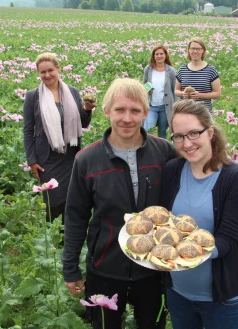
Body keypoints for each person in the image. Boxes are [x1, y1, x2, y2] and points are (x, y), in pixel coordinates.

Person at [62, 78, 177, 329]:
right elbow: (76, 216)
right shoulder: (87, 160)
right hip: (105, 267)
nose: (127, 118)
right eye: (120, 110)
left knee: (153, 324)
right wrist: (70, 267)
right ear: (106, 111)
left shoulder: (165, 153)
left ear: (146, 113)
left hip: (154, 266)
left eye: (135, 111)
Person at [160, 100, 238, 329]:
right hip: (178, 292)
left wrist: (183, 254)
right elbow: (163, 223)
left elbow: (228, 240)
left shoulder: (235, 178)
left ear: (210, 131)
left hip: (221, 298)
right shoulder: (172, 170)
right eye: (179, 136)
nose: (187, 143)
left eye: (194, 133)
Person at [23, 52, 94, 221]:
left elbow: (82, 124)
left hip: (70, 156)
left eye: (50, 70)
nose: (47, 75)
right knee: (53, 201)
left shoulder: (72, 92)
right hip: (47, 159)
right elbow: (27, 131)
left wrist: (87, 109)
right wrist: (32, 160)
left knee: (72, 199)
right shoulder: (33, 96)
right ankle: (55, 236)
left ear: (58, 69)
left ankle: (69, 237)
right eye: (42, 72)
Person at [175, 37, 221, 114]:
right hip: (186, 111)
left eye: (198, 49)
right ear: (189, 50)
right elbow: (176, 90)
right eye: (193, 48)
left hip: (204, 113)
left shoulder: (211, 70)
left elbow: (217, 94)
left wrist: (200, 95)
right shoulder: (182, 70)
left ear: (203, 51)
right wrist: (183, 94)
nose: (195, 51)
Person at [142, 44, 177, 138]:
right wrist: (147, 90)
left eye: (161, 54)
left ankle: (161, 151)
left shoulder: (171, 71)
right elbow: (144, 84)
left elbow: (175, 90)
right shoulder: (148, 69)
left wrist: (176, 106)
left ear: (165, 55)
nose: (159, 56)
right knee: (147, 130)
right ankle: (148, 150)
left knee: (162, 133)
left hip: (165, 107)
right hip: (151, 106)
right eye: (157, 54)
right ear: (153, 56)